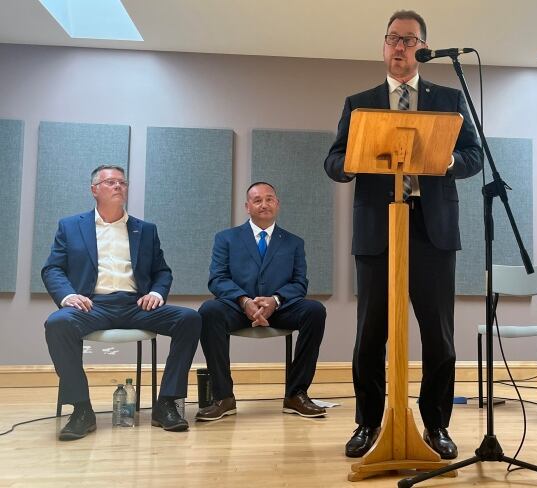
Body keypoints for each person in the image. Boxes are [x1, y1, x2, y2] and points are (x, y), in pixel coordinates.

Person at [324, 10, 481, 459]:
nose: (400, 47)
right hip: (379, 230)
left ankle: (436, 425)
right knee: (370, 336)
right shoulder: (361, 102)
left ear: (423, 49)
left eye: (409, 40)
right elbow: (333, 162)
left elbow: (473, 155)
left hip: (433, 232)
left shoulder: (449, 100)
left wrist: (445, 162)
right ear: (384, 45)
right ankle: (368, 423)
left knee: (439, 336)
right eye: (393, 38)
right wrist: (355, 158)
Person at [42, 164, 201, 441]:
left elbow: (162, 271)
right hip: (92, 305)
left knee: (189, 319)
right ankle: (81, 409)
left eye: (122, 183)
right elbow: (52, 268)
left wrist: (157, 293)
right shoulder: (70, 226)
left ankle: (166, 403)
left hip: (135, 305)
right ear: (94, 190)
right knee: (57, 323)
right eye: (110, 182)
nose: (118, 186)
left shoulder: (145, 230)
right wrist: (68, 296)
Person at [196, 182, 326, 421]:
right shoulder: (226, 238)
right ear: (247, 206)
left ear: (277, 204)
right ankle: (223, 397)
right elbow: (217, 279)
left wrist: (275, 300)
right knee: (209, 310)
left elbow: (299, 283)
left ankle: (296, 394)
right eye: (257, 200)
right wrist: (244, 300)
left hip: (280, 308)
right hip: (237, 307)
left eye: (269, 199)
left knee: (315, 310)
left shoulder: (294, 242)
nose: (264, 204)